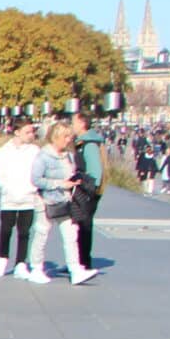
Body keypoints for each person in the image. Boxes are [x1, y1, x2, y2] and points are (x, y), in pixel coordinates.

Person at [0, 117, 45, 282]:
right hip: (9, 197)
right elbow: (0, 174)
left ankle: (21, 263)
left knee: (24, 231)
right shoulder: (4, 151)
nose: (31, 135)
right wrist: (7, 188)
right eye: (27, 132)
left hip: (28, 196)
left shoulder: (34, 151)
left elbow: (37, 172)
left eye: (32, 132)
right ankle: (3, 259)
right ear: (17, 132)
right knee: (6, 229)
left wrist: (31, 189)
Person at [38, 121, 92, 282]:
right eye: (66, 136)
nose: (69, 140)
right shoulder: (43, 156)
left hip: (65, 199)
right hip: (46, 200)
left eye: (70, 136)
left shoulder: (68, 156)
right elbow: (36, 179)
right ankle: (36, 266)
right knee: (41, 234)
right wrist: (60, 184)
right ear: (56, 137)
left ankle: (75, 269)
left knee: (71, 235)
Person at [69, 114, 106, 273]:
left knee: (84, 225)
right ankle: (79, 261)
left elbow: (95, 171)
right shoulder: (84, 142)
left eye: (74, 122)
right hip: (85, 189)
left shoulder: (89, 144)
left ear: (82, 123)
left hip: (88, 191)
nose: (72, 125)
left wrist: (90, 189)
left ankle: (84, 262)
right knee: (80, 225)